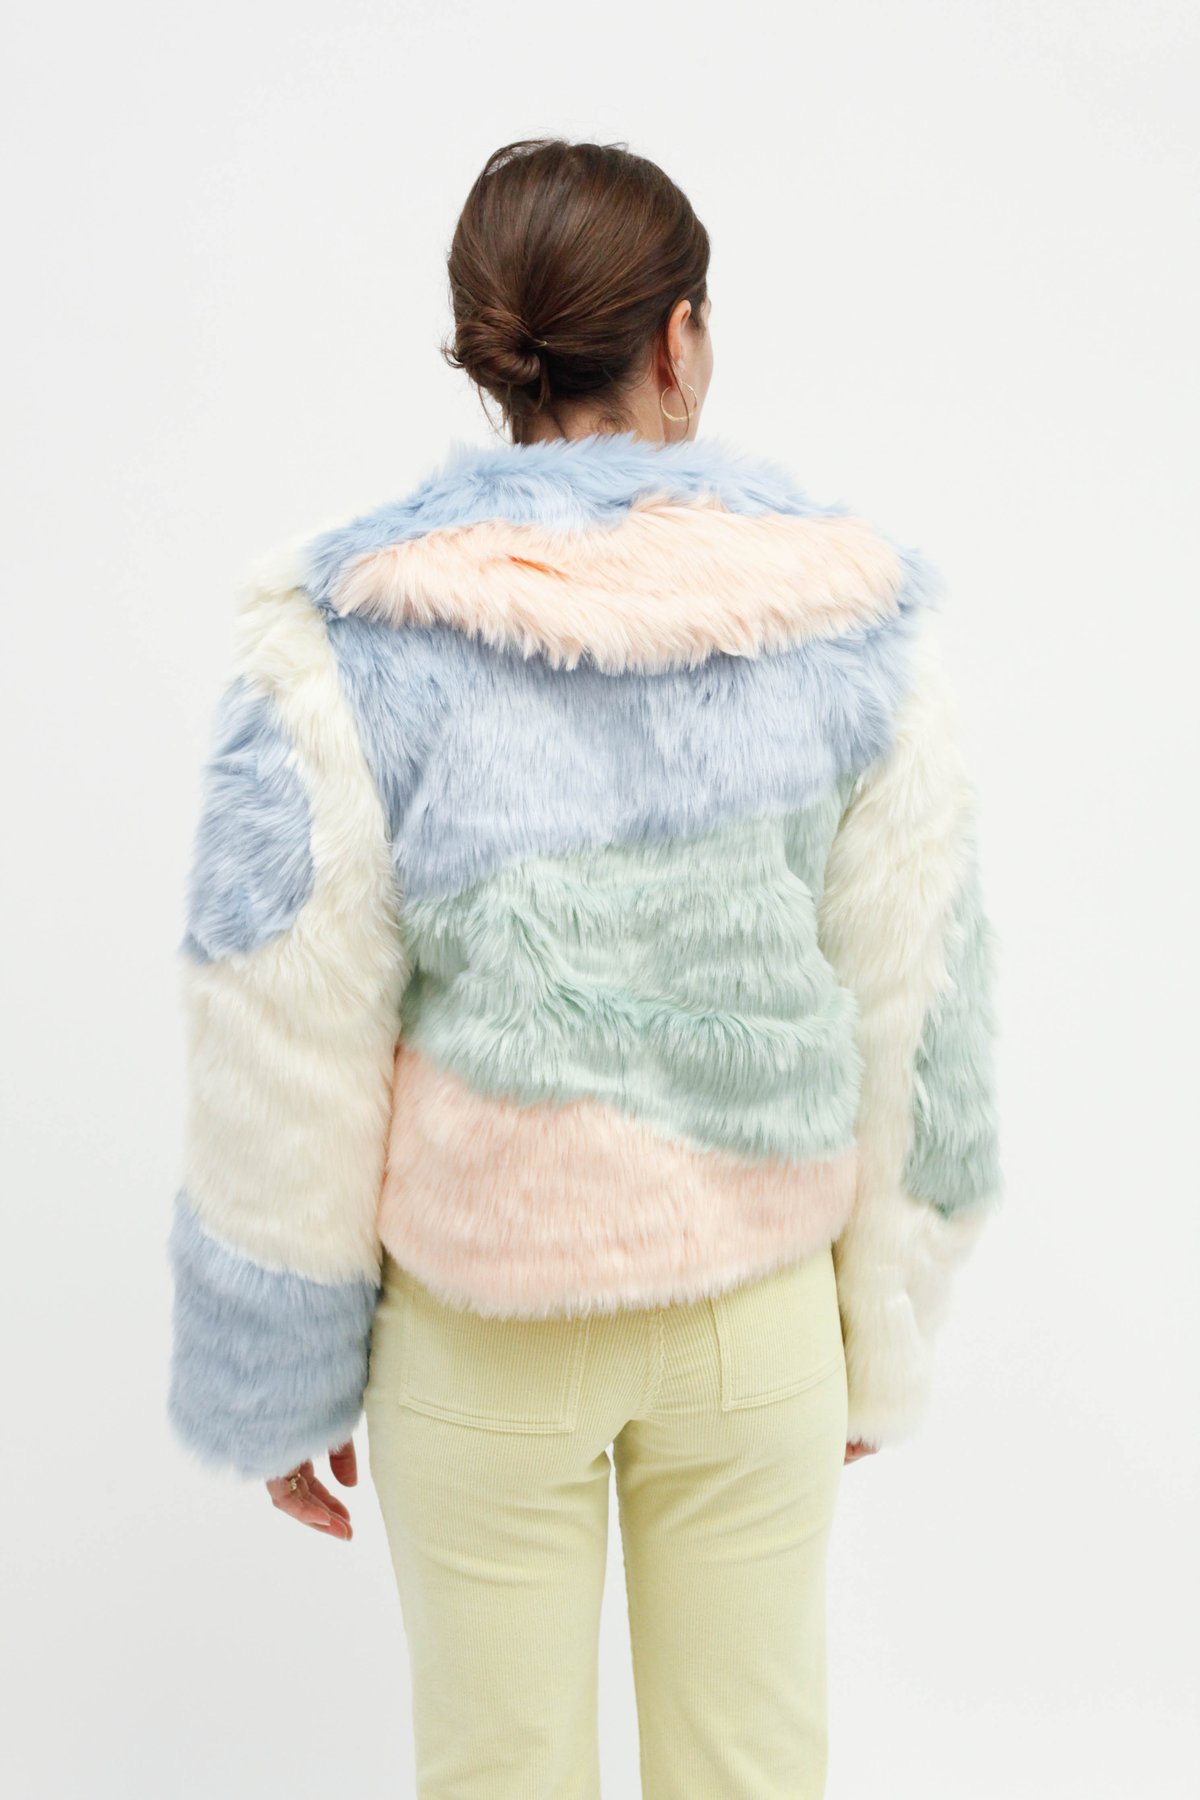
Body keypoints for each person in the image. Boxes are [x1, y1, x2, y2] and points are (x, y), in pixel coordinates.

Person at [166, 136, 1003, 1800]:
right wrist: (884, 1319)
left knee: (495, 1774)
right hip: (755, 1315)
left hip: (481, 1326)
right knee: (753, 1769)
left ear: (497, 355)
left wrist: (275, 1371)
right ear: (679, 339)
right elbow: (927, 1008)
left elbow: (278, 1026)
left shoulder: (356, 634)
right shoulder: (844, 622)